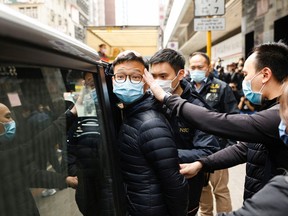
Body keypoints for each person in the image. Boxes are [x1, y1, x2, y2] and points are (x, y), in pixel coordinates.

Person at [143, 41, 288, 207]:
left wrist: (168, 99)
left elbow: (219, 122)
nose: (244, 80)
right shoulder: (272, 107)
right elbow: (245, 148)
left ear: (265, 74)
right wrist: (202, 163)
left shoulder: (277, 115)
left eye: (246, 74)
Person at [111, 50, 189, 216]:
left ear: (146, 82)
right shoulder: (128, 113)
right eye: (120, 76)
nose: (127, 82)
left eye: (135, 77)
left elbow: (174, 183)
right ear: (113, 80)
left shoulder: (151, 124)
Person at [149, 48, 220, 215]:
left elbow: (208, 150)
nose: (157, 82)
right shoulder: (149, 102)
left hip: (185, 187)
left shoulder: (196, 108)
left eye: (163, 76)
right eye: (153, 76)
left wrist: (165, 155)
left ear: (180, 74)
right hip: (153, 188)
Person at [0, 102, 78, 216]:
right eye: (7, 117)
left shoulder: (5, 145)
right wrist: (69, 115)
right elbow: (34, 147)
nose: (12, 121)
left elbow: (31, 175)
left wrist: (65, 180)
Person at [189, 52, 239, 216]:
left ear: (208, 68)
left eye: (200, 67)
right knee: (202, 190)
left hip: (219, 149)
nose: (196, 70)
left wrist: (230, 149)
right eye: (193, 67)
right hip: (195, 150)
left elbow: (233, 118)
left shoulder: (221, 87)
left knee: (220, 190)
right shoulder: (185, 87)